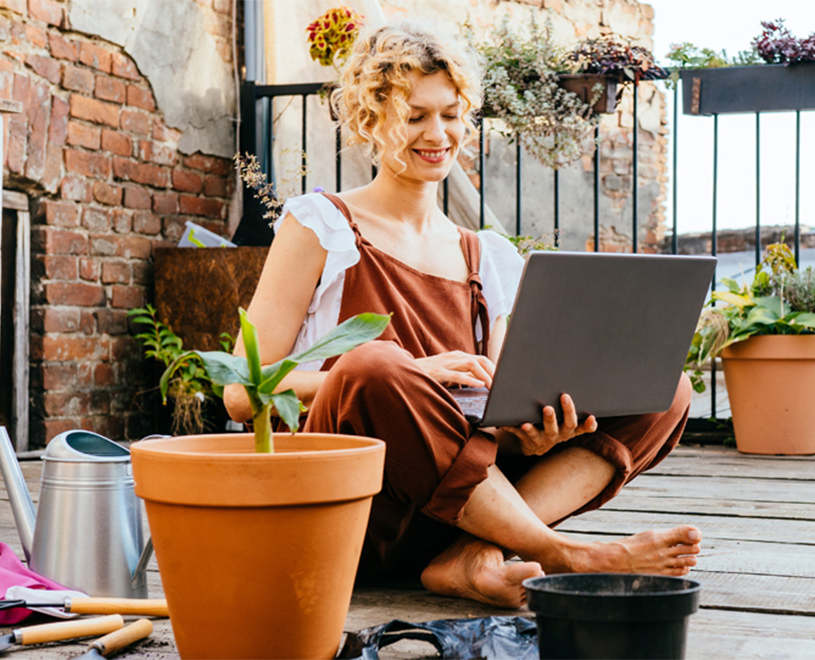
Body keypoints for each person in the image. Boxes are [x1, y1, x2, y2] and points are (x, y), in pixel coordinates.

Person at [223, 21, 700, 609]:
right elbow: (244, 394)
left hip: (456, 510)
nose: (438, 134)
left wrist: (535, 429)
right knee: (373, 366)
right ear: (369, 122)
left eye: (451, 114)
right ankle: (558, 552)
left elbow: (497, 417)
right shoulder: (319, 225)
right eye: (415, 115)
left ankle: (474, 553)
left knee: (665, 390)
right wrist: (413, 376)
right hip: (356, 512)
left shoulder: (487, 256)